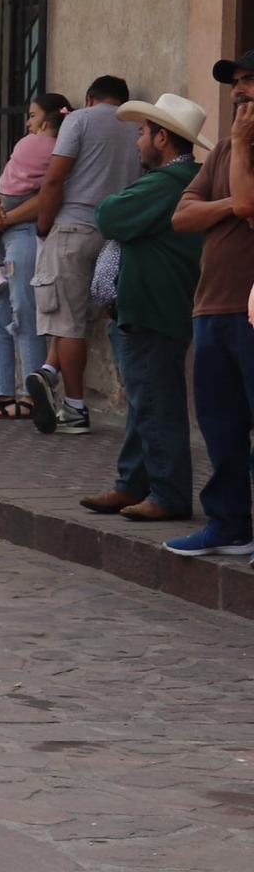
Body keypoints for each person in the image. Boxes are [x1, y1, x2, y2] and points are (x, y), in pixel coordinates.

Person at [73, 96, 208, 524]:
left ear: (162, 137)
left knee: (156, 403)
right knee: (145, 400)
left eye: (142, 132)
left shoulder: (169, 182)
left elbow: (109, 215)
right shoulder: (176, 181)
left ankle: (168, 493)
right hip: (152, 306)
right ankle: (131, 484)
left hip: (153, 307)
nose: (136, 141)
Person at [171, 51, 254, 557]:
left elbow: (248, 202)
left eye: (250, 81)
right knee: (221, 428)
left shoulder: (237, 147)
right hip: (211, 309)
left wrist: (243, 148)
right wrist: (227, 207)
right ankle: (229, 526)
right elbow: (182, 216)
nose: (239, 90)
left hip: (250, 310)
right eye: (236, 83)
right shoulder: (223, 149)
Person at [26, 75, 142, 435]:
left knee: (65, 321)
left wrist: (44, 226)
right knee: (87, 317)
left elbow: (54, 178)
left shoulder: (79, 119)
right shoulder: (139, 126)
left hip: (73, 226)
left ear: (90, 98)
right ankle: (49, 371)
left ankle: (75, 407)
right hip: (116, 233)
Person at [0, 93, 69, 419]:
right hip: (5, 230)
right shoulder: (31, 151)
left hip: (25, 234)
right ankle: (4, 394)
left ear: (47, 120)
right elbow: (9, 186)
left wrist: (3, 217)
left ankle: (34, 396)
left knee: (24, 311)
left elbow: (50, 195)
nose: (27, 122)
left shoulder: (53, 151)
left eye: (32, 115)